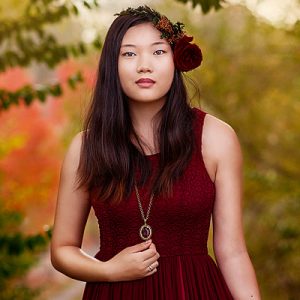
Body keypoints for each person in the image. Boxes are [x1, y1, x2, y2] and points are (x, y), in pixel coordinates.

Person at [51, 5, 261, 299]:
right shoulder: (86, 147)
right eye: (129, 53)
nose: (144, 65)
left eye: (158, 52)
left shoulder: (217, 138)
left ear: (176, 60)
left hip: (195, 292)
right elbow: (62, 250)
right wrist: (110, 270)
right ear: (112, 64)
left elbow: (233, 251)